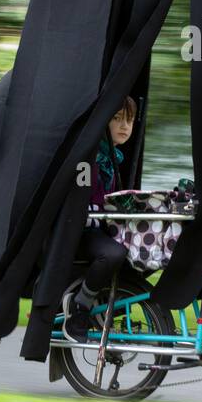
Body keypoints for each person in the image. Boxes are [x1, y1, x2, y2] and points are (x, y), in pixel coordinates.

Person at [63, 96, 137, 342]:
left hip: (99, 228)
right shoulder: (90, 159)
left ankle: (108, 302)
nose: (124, 126)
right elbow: (79, 205)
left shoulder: (114, 159)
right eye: (117, 119)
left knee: (140, 253)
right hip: (80, 232)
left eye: (129, 120)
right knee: (114, 254)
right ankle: (79, 308)